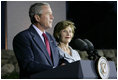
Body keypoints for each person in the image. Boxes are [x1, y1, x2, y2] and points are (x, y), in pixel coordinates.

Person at [13, 3, 61, 78]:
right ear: (37, 18)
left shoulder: (51, 38)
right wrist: (54, 69)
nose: (52, 17)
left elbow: (58, 59)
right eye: (49, 14)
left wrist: (67, 64)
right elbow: (28, 64)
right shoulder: (22, 37)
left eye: (52, 14)